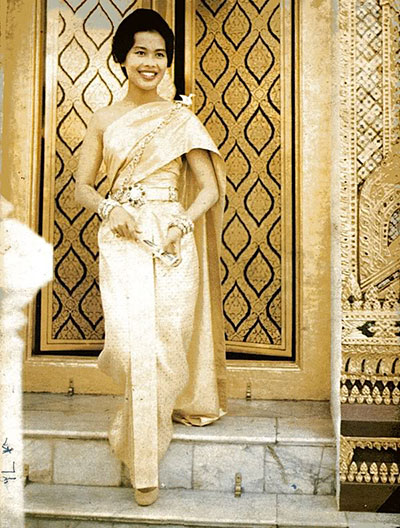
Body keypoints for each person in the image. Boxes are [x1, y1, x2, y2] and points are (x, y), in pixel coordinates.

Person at [75, 9, 227, 507]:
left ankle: (143, 462)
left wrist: (183, 223)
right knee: (127, 346)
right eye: (140, 52)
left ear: (168, 62)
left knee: (163, 348)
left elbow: (209, 189)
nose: (150, 62)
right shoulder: (104, 119)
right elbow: (81, 188)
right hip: (122, 237)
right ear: (122, 57)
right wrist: (110, 208)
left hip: (172, 242)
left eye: (160, 54)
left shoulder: (180, 118)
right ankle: (140, 433)